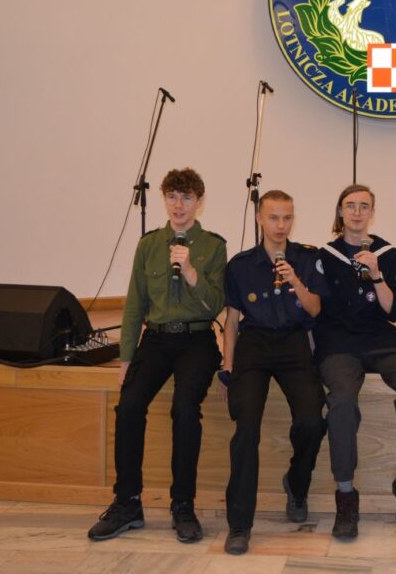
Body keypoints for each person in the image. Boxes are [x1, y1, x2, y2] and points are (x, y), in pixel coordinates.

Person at [88, 168, 227, 543]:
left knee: (184, 410)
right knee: (129, 404)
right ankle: (127, 502)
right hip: (157, 340)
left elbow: (217, 304)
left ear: (199, 202)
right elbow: (135, 304)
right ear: (164, 200)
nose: (178, 205)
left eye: (186, 198)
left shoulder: (213, 246)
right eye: (172, 197)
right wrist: (126, 359)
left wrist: (193, 272)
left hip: (197, 340)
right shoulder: (149, 245)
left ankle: (183, 504)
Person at [314, 184, 396, 540]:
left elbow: (395, 311)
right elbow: (318, 309)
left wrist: (377, 273)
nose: (357, 212)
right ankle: (346, 495)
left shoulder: (387, 253)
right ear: (340, 211)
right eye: (350, 205)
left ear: (372, 212)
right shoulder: (325, 255)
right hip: (339, 344)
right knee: (343, 403)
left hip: (380, 340)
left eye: (364, 206)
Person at [217, 190, 327, 556]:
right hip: (254, 344)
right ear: (261, 220)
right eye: (274, 218)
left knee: (312, 419)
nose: (281, 225)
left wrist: (295, 279)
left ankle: (297, 485)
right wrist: (228, 364)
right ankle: (239, 524)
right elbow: (232, 320)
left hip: (294, 342)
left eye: (288, 218)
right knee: (246, 424)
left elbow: (313, 310)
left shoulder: (306, 258)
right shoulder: (240, 265)